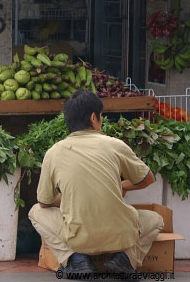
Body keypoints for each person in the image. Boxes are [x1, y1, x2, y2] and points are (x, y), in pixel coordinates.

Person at [28, 90, 164, 278]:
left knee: (35, 211)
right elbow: (147, 179)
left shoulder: (53, 153)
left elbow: (44, 203)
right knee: (156, 219)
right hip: (120, 238)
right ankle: (126, 258)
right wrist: (122, 186)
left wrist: (69, 197)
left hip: (78, 239)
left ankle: (75, 259)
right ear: (94, 117)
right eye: (101, 116)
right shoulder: (115, 145)